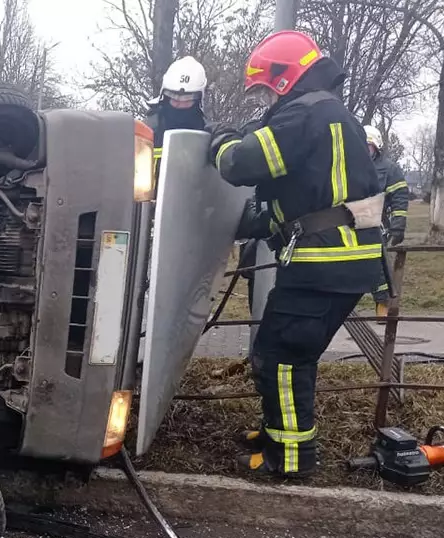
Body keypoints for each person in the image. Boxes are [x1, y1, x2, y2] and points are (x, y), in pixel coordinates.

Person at [205, 30, 385, 478]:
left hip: (321, 264)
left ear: (284, 79)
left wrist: (221, 139)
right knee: (285, 354)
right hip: (339, 261)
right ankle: (276, 434)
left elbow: (239, 163)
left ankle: (289, 458)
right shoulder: (327, 110)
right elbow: (313, 195)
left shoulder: (303, 114)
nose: (266, 97)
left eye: (267, 87)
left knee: (281, 359)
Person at [364, 125, 409, 316]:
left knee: (379, 267)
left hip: (376, 225)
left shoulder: (389, 169)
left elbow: (399, 198)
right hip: (347, 223)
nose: (364, 150)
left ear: (376, 146)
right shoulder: (348, 165)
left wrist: (397, 227)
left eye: (368, 146)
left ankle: (382, 306)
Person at [145, 56, 209, 178]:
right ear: (165, 96)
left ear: (198, 100)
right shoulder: (148, 131)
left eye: (187, 99)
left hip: (193, 195)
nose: (179, 103)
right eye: (174, 98)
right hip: (152, 195)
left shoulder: (207, 135)